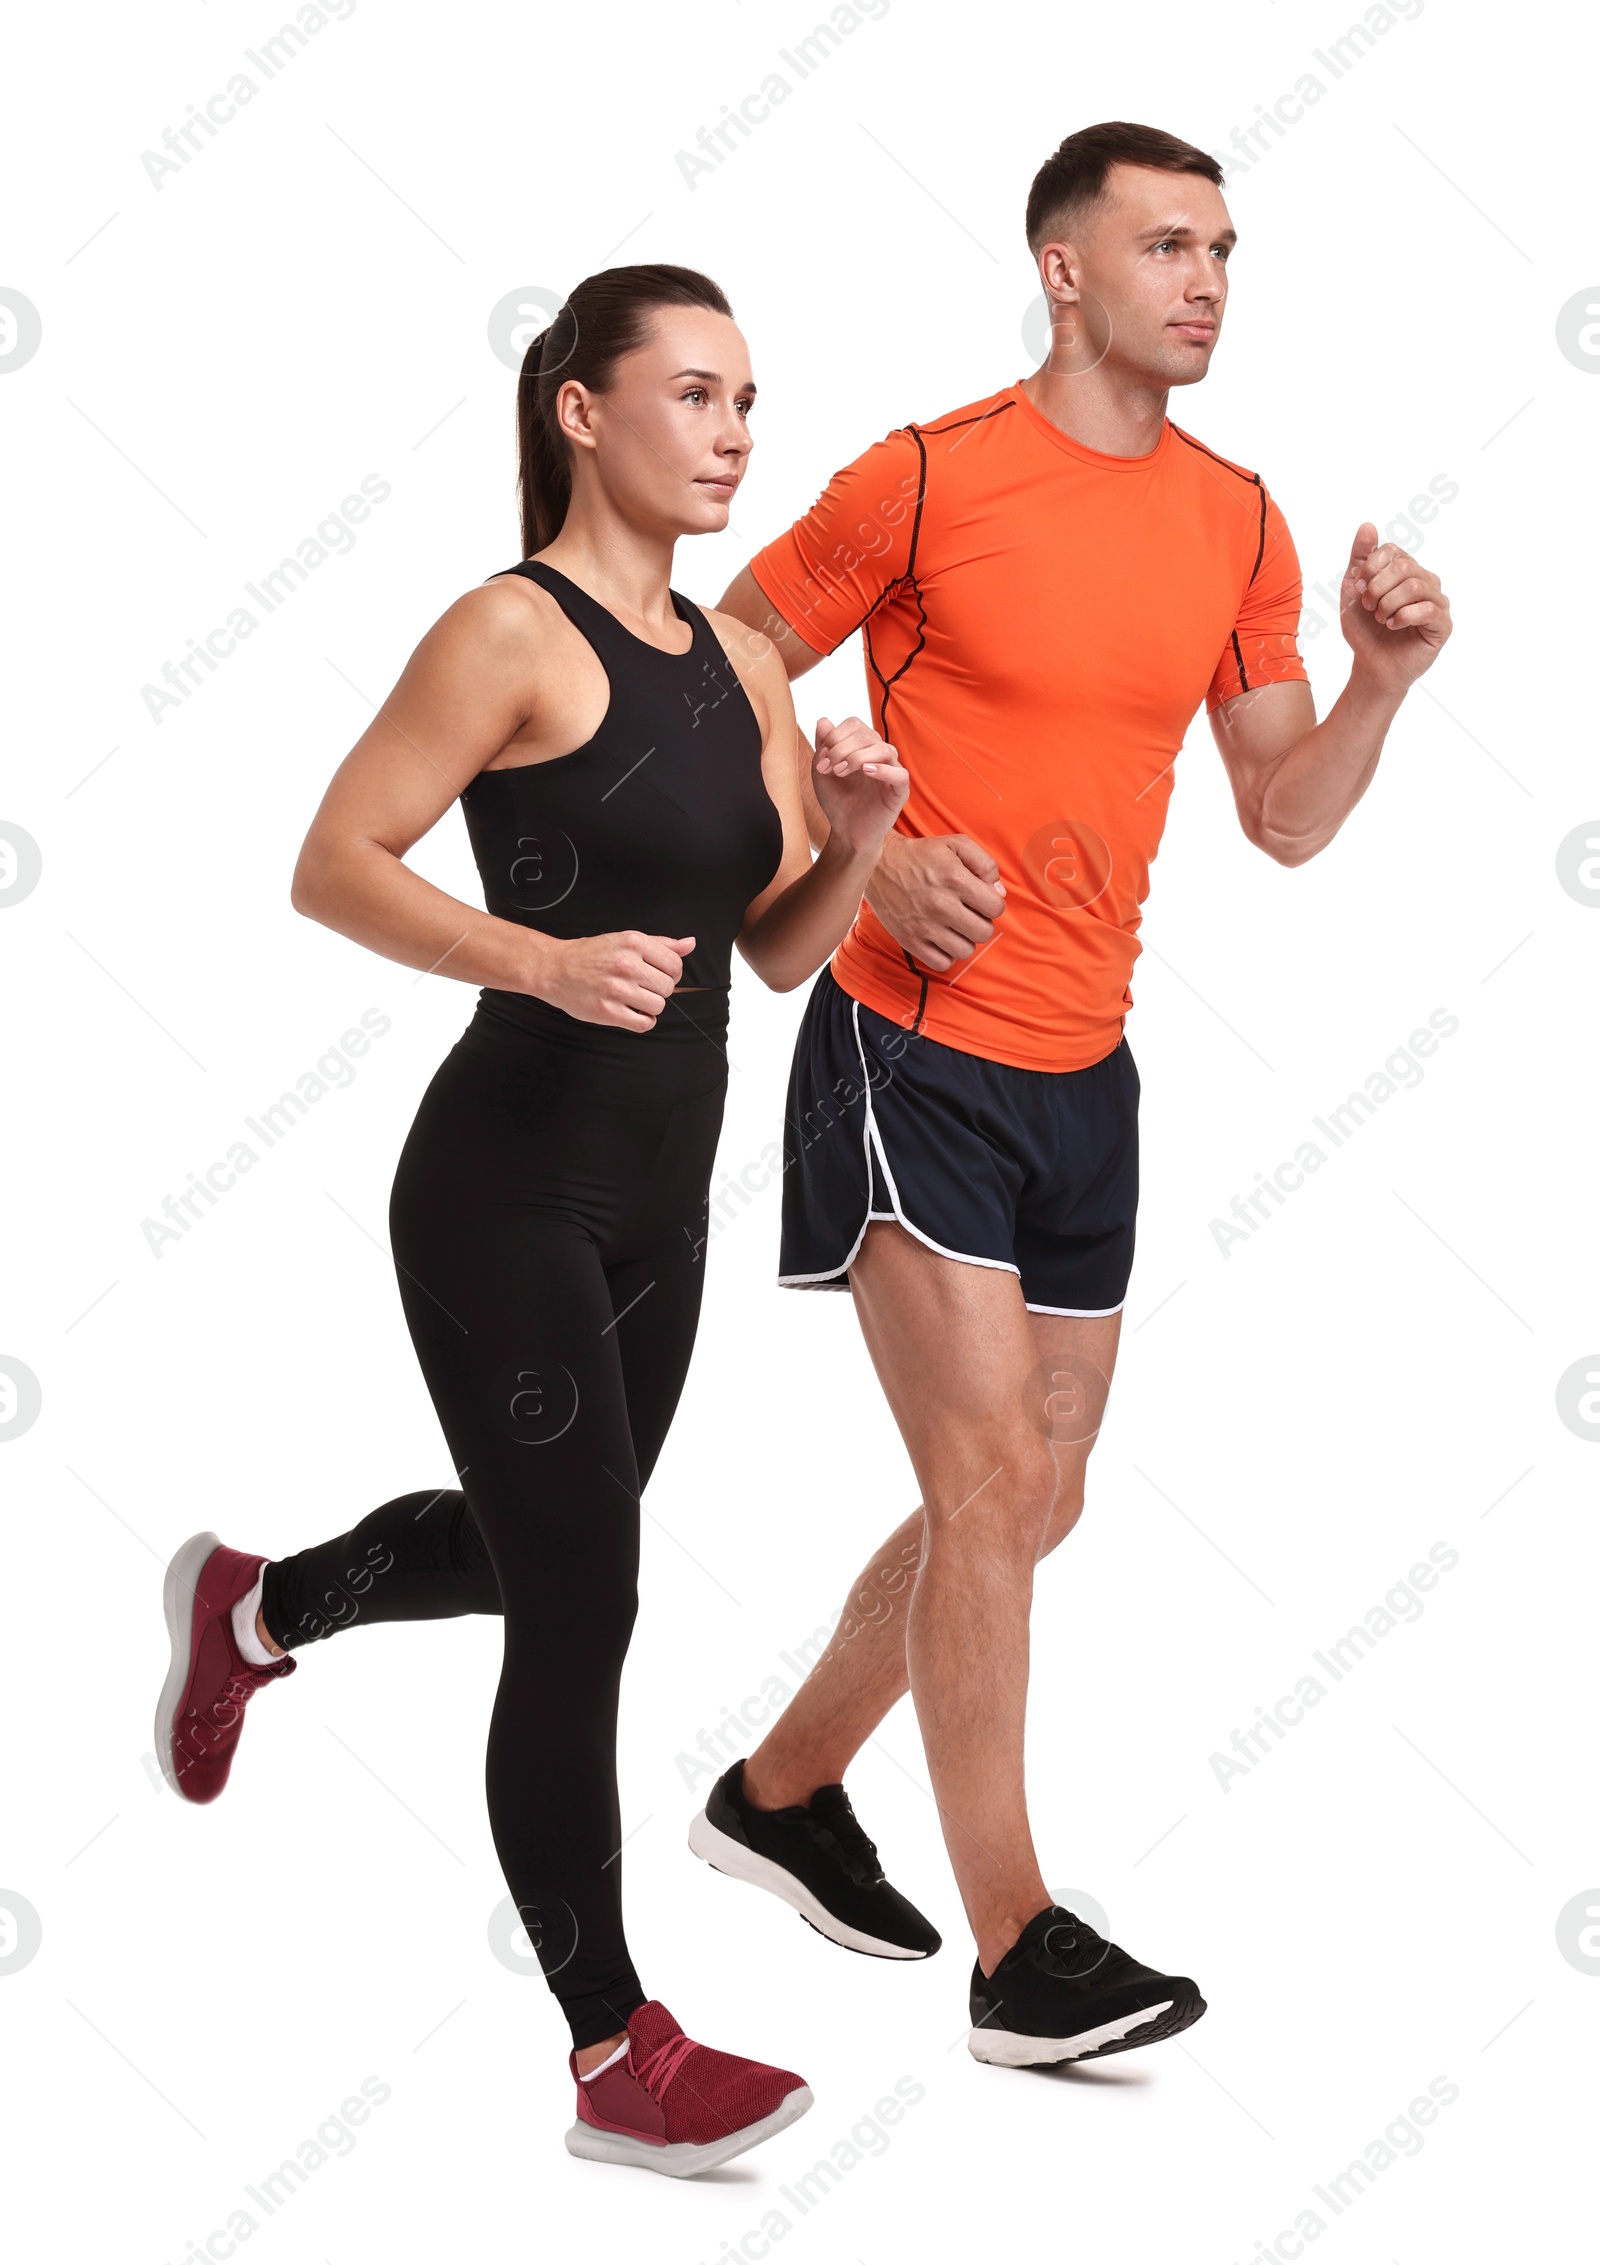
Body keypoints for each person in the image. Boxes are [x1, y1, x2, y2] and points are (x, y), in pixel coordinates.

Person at [691, 120, 1453, 2068]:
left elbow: (1279, 812)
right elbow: (724, 662)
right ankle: (1014, 1946)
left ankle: (775, 1793)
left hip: (1083, 1072)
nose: (1202, 280)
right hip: (905, 1046)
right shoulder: (928, 473)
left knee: (1034, 1496)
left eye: (1220, 250)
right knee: (985, 1482)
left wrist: (1372, 680)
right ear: (1061, 270)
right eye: (1165, 246)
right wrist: (849, 851)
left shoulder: (1233, 514)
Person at [152, 263, 909, 2175]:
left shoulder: (745, 662)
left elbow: (773, 942)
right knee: (587, 1598)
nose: (737, 431)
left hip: (666, 1202)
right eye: (695, 393)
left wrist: (864, 831)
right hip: (503, 1181)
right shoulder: (507, 630)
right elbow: (332, 861)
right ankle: (612, 2053)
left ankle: (258, 1603)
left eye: (751, 398)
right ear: (580, 408)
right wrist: (534, 958)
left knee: (531, 1552)